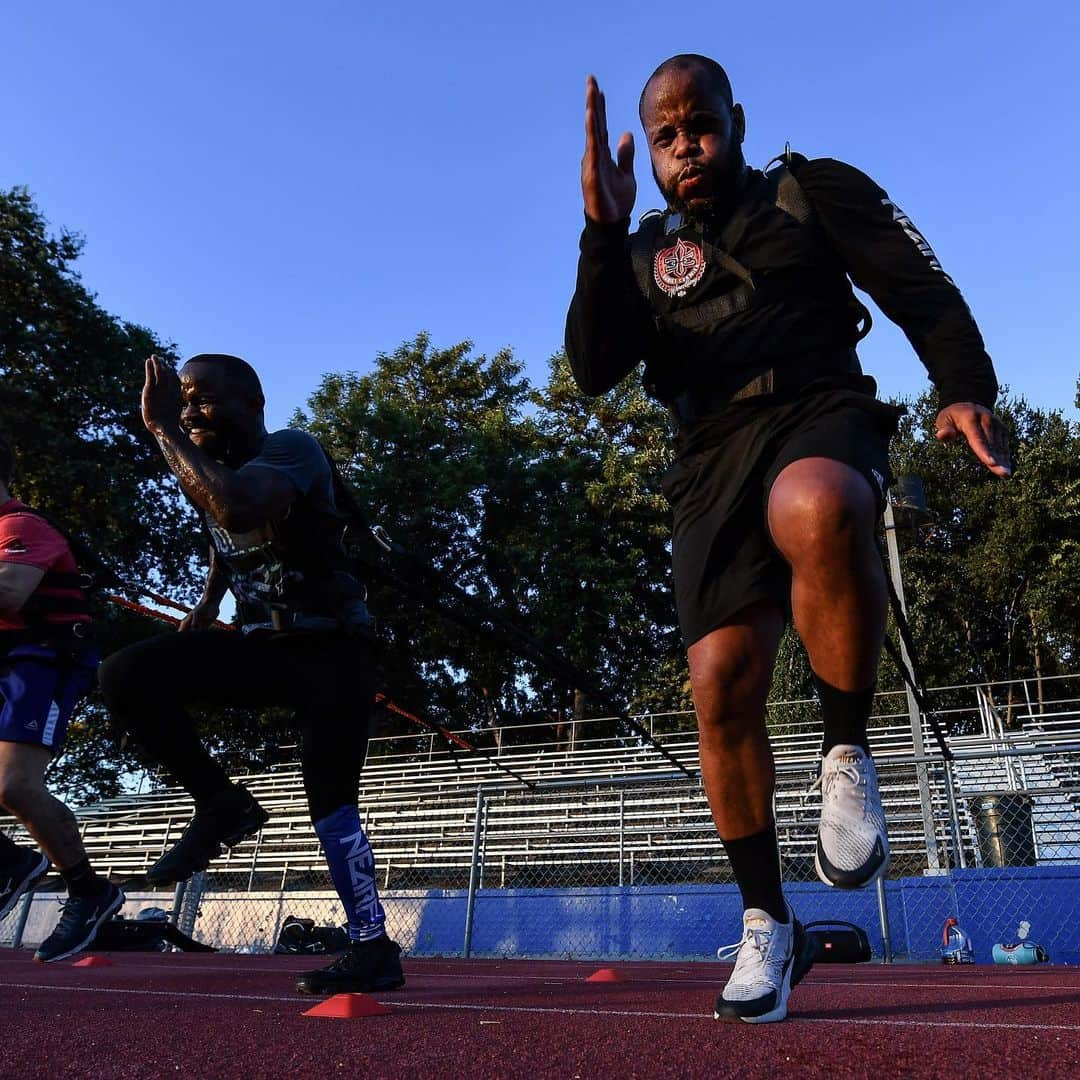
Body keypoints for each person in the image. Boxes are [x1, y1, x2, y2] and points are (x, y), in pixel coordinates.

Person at [565, 55, 1010, 1023]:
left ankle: (846, 755)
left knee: (818, 503)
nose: (688, 145)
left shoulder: (814, 191)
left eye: (703, 123)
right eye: (669, 132)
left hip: (817, 408)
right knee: (720, 683)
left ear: (737, 118)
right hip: (708, 456)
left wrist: (963, 389)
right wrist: (602, 234)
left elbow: (921, 295)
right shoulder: (643, 254)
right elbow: (595, 369)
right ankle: (769, 922)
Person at [97, 354, 402, 996]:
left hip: (331, 655)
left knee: (332, 808)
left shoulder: (292, 450)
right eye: (181, 401)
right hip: (267, 650)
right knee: (128, 673)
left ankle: (372, 948)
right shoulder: (218, 472)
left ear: (253, 404)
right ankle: (221, 802)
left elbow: (235, 509)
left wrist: (162, 431)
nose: (187, 411)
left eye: (202, 399)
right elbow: (221, 533)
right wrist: (210, 601)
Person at [0, 433, 125, 962]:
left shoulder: (22, 526)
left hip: (41, 663)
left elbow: (9, 593)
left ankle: (89, 890)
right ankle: (10, 863)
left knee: (14, 787)